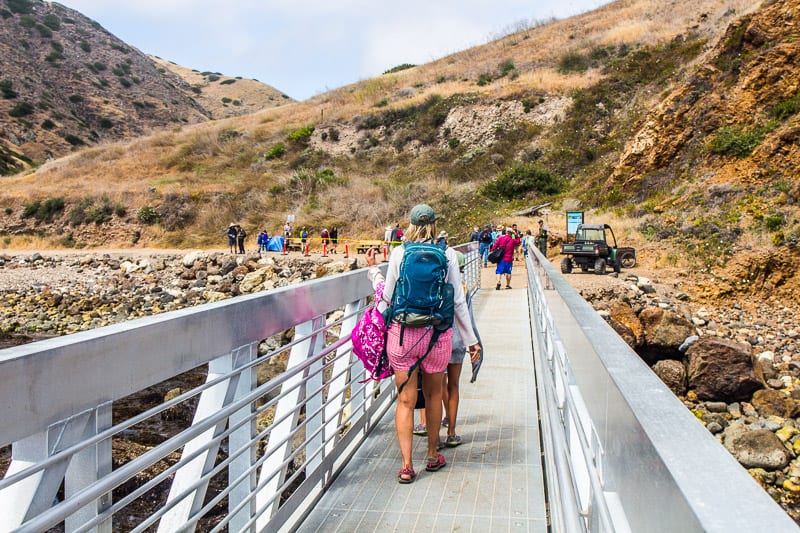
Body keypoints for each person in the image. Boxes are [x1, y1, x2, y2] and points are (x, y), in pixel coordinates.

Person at [365, 204, 481, 484]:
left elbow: (388, 299)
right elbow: (456, 302)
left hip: (402, 336)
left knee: (405, 402)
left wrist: (374, 321)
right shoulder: (449, 255)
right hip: (436, 337)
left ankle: (406, 466)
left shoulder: (399, 253)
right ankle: (432, 454)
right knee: (432, 396)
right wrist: (471, 340)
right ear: (434, 225)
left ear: (411, 225)